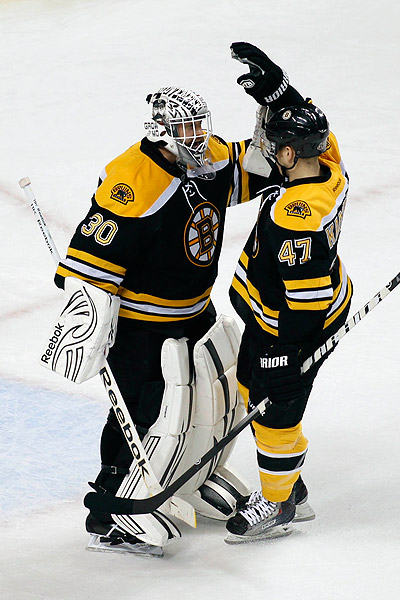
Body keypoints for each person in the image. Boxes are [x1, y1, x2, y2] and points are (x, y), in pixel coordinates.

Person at [52, 86, 272, 553]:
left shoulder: (207, 158)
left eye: (201, 125)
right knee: (144, 412)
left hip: (195, 310)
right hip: (142, 326)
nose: (199, 136)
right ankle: (110, 511)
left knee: (207, 400)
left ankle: (190, 476)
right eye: (187, 128)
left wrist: (280, 105)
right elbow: (91, 264)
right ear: (161, 131)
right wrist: (90, 324)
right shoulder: (133, 181)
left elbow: (259, 168)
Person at [224, 42, 353, 543]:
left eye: (271, 143)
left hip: (293, 326)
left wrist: (287, 352)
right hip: (282, 317)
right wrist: (278, 92)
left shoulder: (293, 217)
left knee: (278, 410)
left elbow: (307, 299)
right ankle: (288, 482)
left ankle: (279, 504)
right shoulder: (329, 165)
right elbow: (315, 132)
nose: (263, 149)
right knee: (251, 387)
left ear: (288, 154)